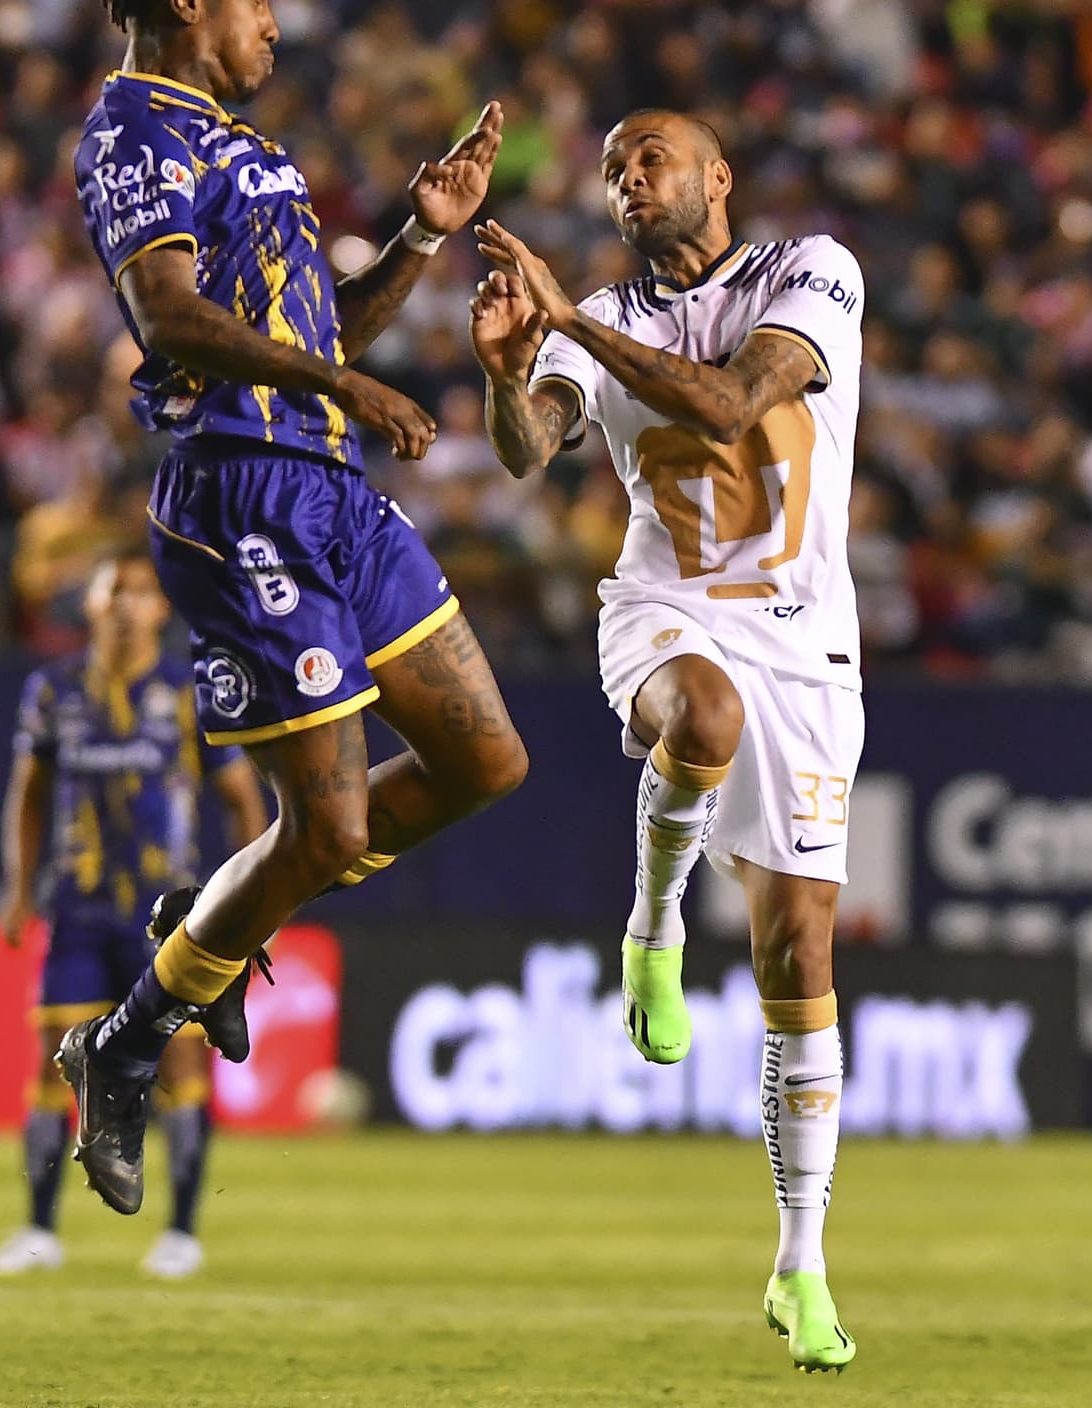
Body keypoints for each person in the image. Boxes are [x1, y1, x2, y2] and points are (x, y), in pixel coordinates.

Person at [57, 0, 529, 1214]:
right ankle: (130, 1040)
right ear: (191, 2)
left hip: (333, 493)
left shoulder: (249, 147)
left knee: (487, 760)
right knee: (320, 826)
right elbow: (168, 318)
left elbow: (326, 343)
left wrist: (424, 235)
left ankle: (215, 916)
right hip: (242, 496)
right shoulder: (134, 127)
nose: (277, 21)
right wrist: (348, 397)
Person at [472, 109, 864, 1376]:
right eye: (611, 171)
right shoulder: (601, 311)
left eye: (650, 159)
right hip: (665, 611)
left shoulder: (812, 273)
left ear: (716, 177)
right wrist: (503, 368)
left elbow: (736, 401)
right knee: (700, 714)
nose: (628, 180)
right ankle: (652, 922)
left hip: (806, 643)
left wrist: (573, 323)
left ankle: (798, 1263)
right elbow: (533, 446)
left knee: (799, 947)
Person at [0, 552, 268, 1280]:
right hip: (76, 908)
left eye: (142, 593)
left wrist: (250, 903)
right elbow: (30, 792)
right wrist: (18, 888)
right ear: (93, 604)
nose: (128, 604)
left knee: (178, 1069)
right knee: (53, 1070)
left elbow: (241, 802)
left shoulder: (189, 692)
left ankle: (181, 1234)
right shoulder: (53, 689)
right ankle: (40, 1231)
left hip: (165, 918)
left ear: (162, 610)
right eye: (116, 590)